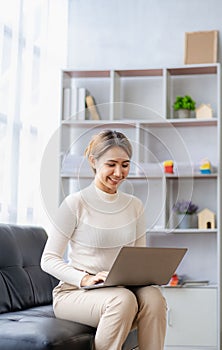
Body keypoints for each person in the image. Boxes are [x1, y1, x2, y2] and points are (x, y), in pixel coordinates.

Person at [41, 129, 167, 350]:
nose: (119, 172)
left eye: (125, 164)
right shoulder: (75, 203)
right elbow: (48, 259)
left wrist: (149, 274)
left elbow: (138, 259)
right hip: (75, 293)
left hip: (120, 288)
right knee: (122, 300)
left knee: (154, 298)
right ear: (93, 161)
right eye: (111, 164)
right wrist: (85, 278)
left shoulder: (134, 205)